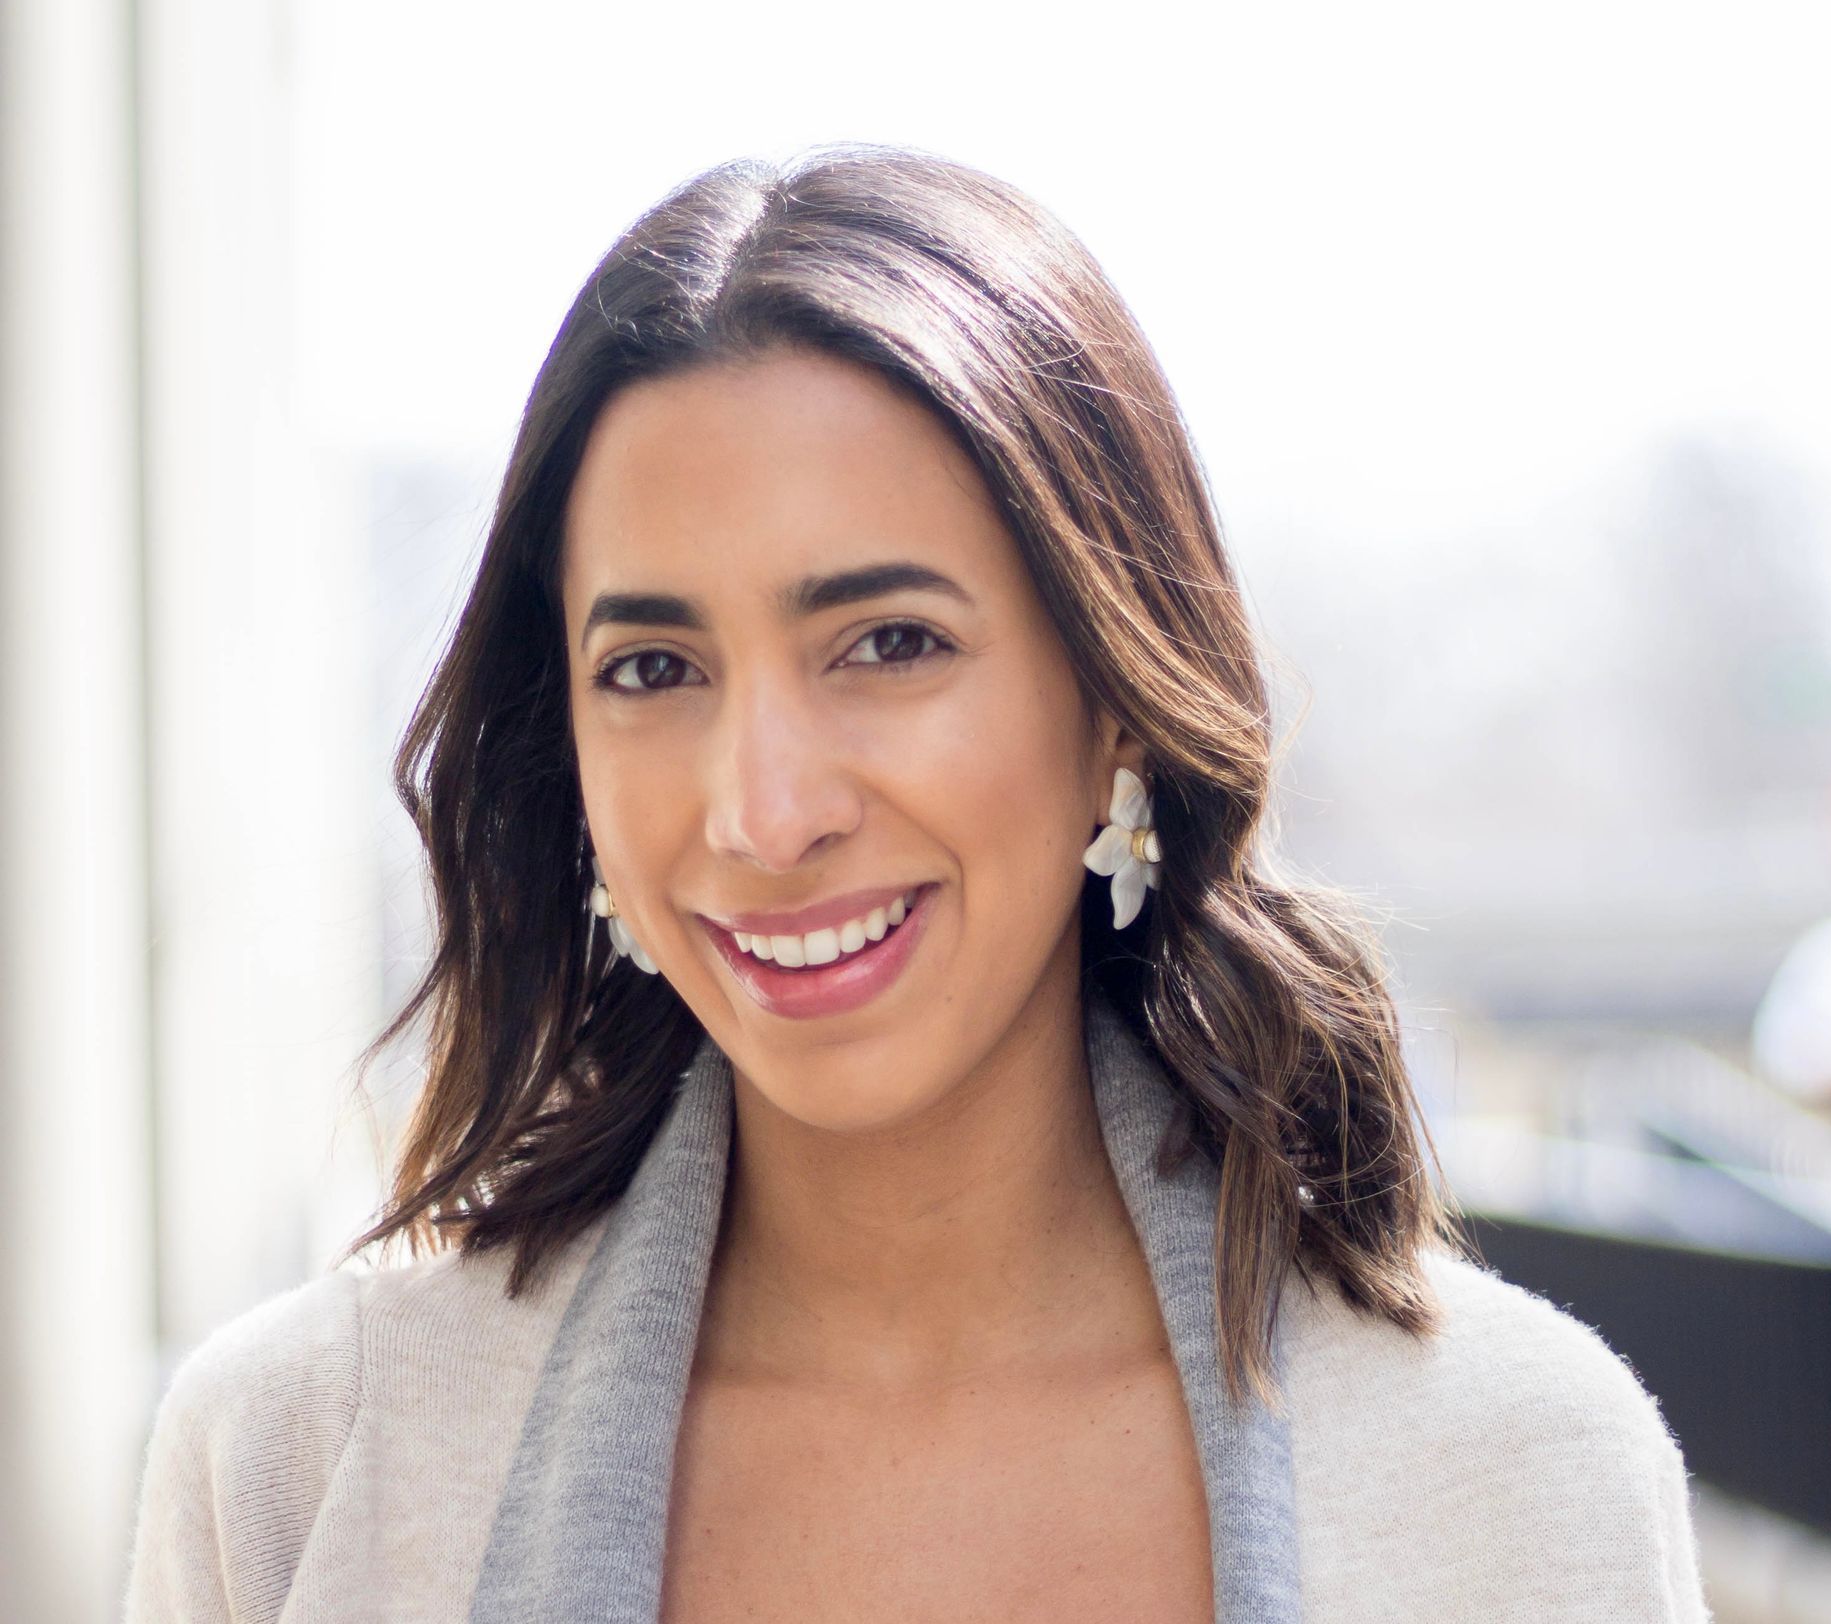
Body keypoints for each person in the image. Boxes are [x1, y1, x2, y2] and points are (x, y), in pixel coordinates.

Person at [123, 142, 1711, 1621]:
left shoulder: (1509, 1476)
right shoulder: (305, 1461)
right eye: (655, 666)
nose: (764, 812)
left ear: (1113, 706)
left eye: (888, 644)